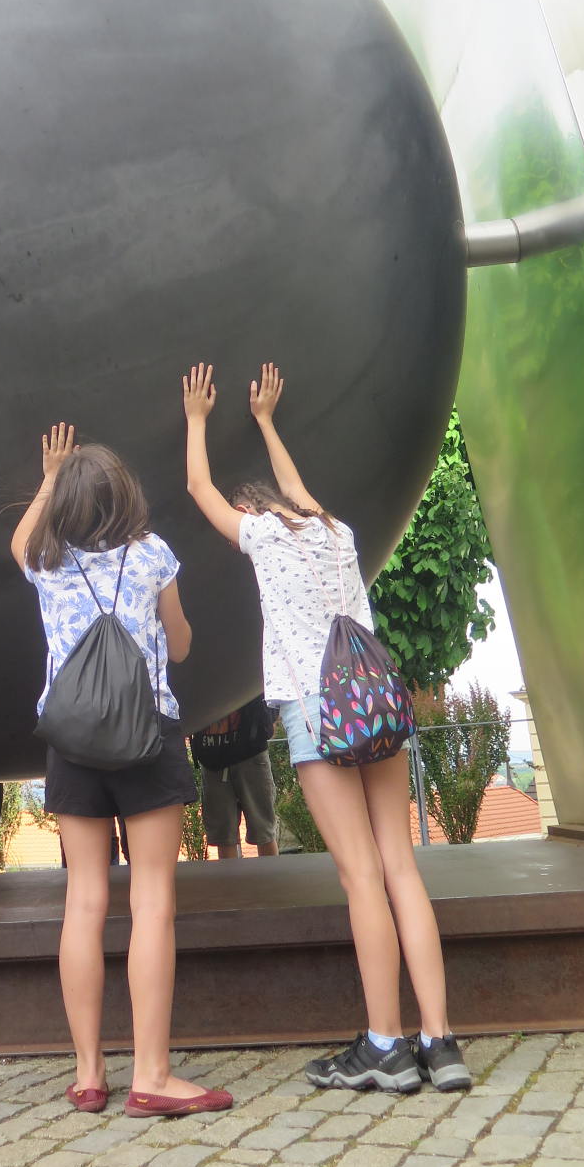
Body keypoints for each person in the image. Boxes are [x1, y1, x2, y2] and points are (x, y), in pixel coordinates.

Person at [183, 362, 471, 1094]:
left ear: (253, 512)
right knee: (401, 866)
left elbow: (197, 488)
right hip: (375, 703)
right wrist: (267, 422)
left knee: (360, 876)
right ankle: (440, 1042)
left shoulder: (261, 538)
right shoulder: (336, 532)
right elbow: (300, 491)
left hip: (318, 712)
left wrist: (195, 420)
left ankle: (385, 1046)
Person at [11, 423, 232, 1118]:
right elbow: (181, 644)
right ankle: (153, 1074)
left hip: (71, 741)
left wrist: (49, 476)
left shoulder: (46, 561)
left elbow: (19, 542)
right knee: (152, 900)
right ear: (126, 496)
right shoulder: (153, 555)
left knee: (83, 901)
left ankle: (88, 1074)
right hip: (148, 734)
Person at [198, 740, 279, 860]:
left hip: (250, 750)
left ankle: (271, 872)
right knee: (225, 836)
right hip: (213, 757)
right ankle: (232, 875)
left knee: (264, 831)